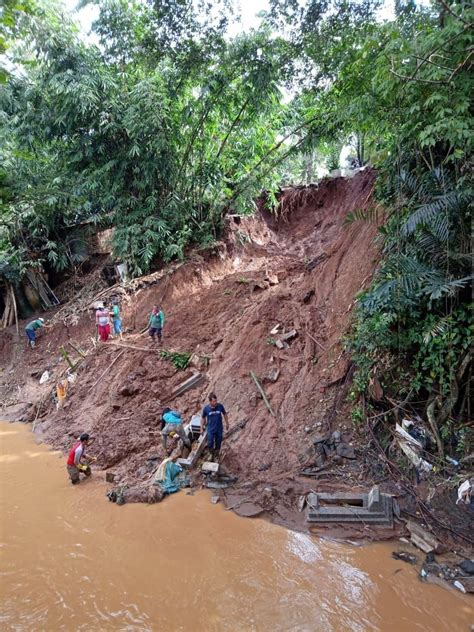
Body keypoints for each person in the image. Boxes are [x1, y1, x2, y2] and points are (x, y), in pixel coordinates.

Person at [201, 392, 229, 461]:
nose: (216, 402)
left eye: (216, 401)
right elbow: (203, 418)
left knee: (218, 442)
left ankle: (216, 454)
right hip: (210, 429)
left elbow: (224, 414)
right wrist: (201, 428)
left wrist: (227, 423)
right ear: (210, 401)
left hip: (219, 428)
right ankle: (211, 453)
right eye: (214, 401)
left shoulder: (220, 406)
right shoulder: (206, 409)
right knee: (210, 442)